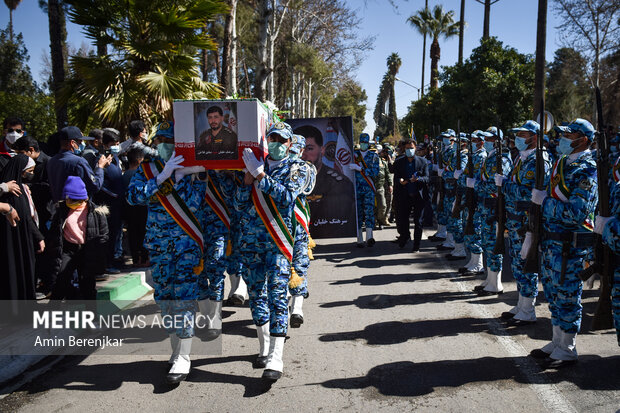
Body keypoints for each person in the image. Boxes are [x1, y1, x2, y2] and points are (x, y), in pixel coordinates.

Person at [127, 120, 206, 384]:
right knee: (165, 299)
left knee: (183, 299)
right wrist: (161, 178)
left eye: (169, 141)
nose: (163, 145)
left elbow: (195, 206)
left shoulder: (193, 171)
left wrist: (182, 176)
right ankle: (176, 351)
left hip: (186, 247)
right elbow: (133, 197)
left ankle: (184, 357)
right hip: (159, 247)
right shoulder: (147, 170)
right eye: (159, 141)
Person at [234, 121, 308, 381]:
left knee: (278, 296)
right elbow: (239, 205)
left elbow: (287, 197)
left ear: (290, 143)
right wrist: (246, 180)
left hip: (278, 243)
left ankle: (277, 355)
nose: (277, 143)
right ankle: (264, 346)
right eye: (272, 138)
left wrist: (261, 176)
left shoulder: (297, 167)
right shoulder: (255, 164)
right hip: (251, 243)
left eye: (282, 139)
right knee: (256, 297)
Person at [527, 118, 598, 368]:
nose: (564, 139)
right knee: (554, 295)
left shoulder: (588, 169)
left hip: (571, 246)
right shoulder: (562, 163)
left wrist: (544, 203)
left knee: (567, 295)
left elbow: (577, 212)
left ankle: (568, 347)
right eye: (565, 134)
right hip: (551, 243)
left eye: (571, 135)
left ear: (584, 140)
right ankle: (557, 341)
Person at [495, 121, 551, 315]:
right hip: (515, 221)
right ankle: (521, 302)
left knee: (526, 263)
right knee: (517, 263)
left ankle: (528, 309)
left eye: (522, 135)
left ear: (534, 138)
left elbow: (531, 193)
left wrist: (505, 185)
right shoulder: (522, 158)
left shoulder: (539, 160)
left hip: (527, 222)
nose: (517, 138)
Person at [47, 176, 109, 301]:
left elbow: (103, 235)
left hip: (87, 250)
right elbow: (55, 232)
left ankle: (91, 315)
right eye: (71, 199)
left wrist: (98, 255)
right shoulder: (61, 210)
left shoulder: (96, 212)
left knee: (87, 284)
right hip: (68, 250)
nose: (74, 203)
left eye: (78, 200)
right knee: (61, 280)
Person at [470, 128, 513, 292]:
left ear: (497, 141)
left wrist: (475, 184)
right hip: (485, 207)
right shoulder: (492, 157)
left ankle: (496, 283)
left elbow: (495, 185)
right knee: (488, 244)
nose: (486, 141)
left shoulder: (501, 159)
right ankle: (490, 279)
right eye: (486, 138)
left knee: (494, 245)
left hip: (494, 208)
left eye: (489, 138)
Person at [296, 124, 355, 238]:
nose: (303, 155)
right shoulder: (284, 179)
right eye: (298, 149)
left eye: (309, 148)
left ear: (322, 150)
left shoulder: (340, 184)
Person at [0, 154, 45, 302]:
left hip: (22, 241)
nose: (31, 174)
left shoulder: (22, 189)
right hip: (9, 242)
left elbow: (27, 216)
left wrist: (38, 237)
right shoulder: (7, 192)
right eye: (29, 170)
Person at [287, 134, 316, 327]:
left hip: (297, 227)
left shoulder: (306, 168)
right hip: (276, 227)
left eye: (297, 150)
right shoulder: (273, 167)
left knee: (300, 266)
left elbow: (303, 189)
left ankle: (297, 308)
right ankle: (284, 307)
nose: (293, 153)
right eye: (291, 149)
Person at [47, 126, 112, 203]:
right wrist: (100, 167)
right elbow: (95, 186)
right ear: (72, 143)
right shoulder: (78, 162)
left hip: (58, 209)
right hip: (75, 208)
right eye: (80, 142)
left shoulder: (51, 161)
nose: (82, 145)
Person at [96, 128, 126, 274]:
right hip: (108, 205)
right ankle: (106, 264)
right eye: (115, 143)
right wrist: (113, 195)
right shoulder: (101, 160)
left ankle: (112, 260)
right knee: (107, 236)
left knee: (115, 234)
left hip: (118, 205)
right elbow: (98, 184)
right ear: (107, 144)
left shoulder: (115, 159)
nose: (117, 145)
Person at [457, 131, 487, 272]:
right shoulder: (473, 156)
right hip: (469, 196)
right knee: (468, 228)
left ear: (481, 142)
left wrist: (462, 179)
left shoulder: (481, 157)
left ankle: (478, 263)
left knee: (475, 229)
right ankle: (473, 260)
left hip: (475, 197)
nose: (472, 142)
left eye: (475, 140)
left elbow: (473, 179)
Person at [392, 139, 430, 252]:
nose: (409, 150)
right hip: (404, 196)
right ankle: (404, 238)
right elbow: (396, 178)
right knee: (403, 220)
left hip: (419, 196)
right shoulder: (399, 162)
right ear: (404, 149)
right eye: (407, 148)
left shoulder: (423, 162)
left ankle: (416, 245)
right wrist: (400, 181)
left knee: (418, 222)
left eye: (411, 148)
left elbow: (427, 178)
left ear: (415, 148)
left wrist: (417, 179)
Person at [349, 133, 380, 247]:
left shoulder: (373, 156)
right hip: (356, 188)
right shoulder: (354, 155)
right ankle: (359, 238)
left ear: (368, 143)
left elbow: (375, 173)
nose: (363, 144)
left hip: (368, 188)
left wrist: (361, 169)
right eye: (362, 142)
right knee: (358, 213)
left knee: (369, 212)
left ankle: (369, 237)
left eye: (365, 143)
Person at [122, 147, 148, 267]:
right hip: (142, 210)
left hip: (128, 211)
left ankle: (135, 259)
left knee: (133, 234)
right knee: (143, 233)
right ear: (139, 160)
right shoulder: (141, 175)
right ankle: (144, 259)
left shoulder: (124, 175)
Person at [375, 146, 393, 229]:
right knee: (376, 204)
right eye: (384, 151)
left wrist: (390, 184)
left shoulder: (387, 161)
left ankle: (384, 218)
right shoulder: (376, 160)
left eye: (388, 152)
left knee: (386, 203)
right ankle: (376, 220)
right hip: (377, 185)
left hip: (385, 185)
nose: (386, 153)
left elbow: (389, 172)